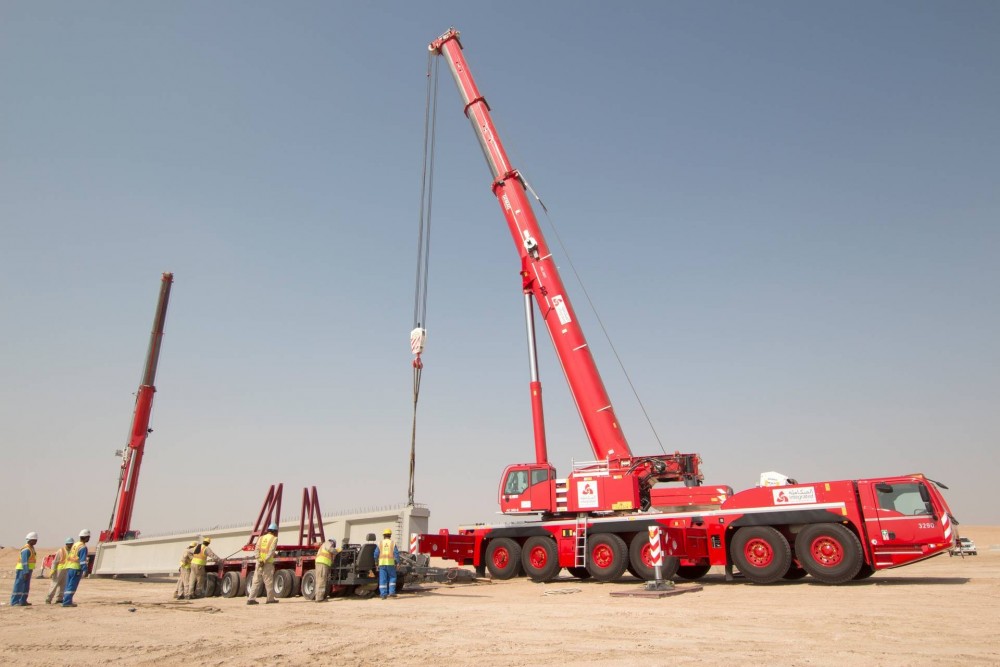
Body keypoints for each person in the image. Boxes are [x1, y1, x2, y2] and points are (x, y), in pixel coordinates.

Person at [247, 522, 279, 605]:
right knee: (268, 581)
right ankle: (270, 599)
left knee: (256, 581)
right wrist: (265, 560)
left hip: (259, 562)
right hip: (267, 563)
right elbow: (271, 551)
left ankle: (251, 599)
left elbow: (256, 549)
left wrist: (259, 559)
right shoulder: (274, 539)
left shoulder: (261, 538)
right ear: (275, 531)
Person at [62, 529, 91, 607]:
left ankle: (66, 600)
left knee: (68, 584)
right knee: (72, 585)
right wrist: (85, 570)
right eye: (88, 537)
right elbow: (82, 561)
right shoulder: (83, 547)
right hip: (76, 568)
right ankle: (67, 602)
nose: (89, 539)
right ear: (86, 537)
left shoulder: (75, 544)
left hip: (69, 567)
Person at [10, 531, 38, 606]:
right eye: (34, 540)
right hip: (23, 570)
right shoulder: (26, 549)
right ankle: (14, 601)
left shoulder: (31, 548)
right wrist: (25, 572)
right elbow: (24, 562)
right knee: (19, 585)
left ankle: (23, 600)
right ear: (30, 540)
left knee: (26, 586)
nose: (36, 542)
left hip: (28, 570)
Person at [45, 537, 74, 605]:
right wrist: (53, 570)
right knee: (54, 584)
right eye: (70, 544)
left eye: (72, 544)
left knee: (63, 585)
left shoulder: (72, 551)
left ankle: (59, 599)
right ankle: (48, 599)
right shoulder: (60, 551)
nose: (71, 545)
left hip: (67, 569)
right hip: (59, 570)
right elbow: (55, 562)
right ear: (67, 544)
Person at [373, 528, 399, 600]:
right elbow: (396, 554)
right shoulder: (392, 543)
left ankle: (383, 594)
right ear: (390, 535)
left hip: (382, 564)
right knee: (392, 577)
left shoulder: (380, 543)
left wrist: (376, 562)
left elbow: (375, 554)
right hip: (390, 564)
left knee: (382, 579)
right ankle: (391, 592)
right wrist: (398, 563)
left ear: (383, 535)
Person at [313, 537, 338, 602]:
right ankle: (319, 598)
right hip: (322, 564)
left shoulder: (325, 545)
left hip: (324, 564)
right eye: (333, 545)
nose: (333, 546)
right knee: (321, 580)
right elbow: (330, 549)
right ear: (332, 542)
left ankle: (321, 597)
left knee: (323, 580)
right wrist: (337, 551)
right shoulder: (327, 543)